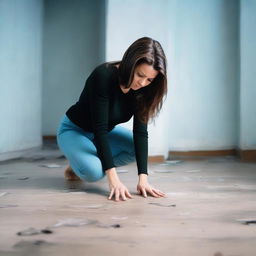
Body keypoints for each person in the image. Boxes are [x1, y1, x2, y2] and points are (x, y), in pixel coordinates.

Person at [57, 37, 168, 202]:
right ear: (131, 64)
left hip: (104, 133)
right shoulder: (104, 75)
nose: (143, 83)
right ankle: (82, 162)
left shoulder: (145, 89)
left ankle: (86, 159)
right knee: (93, 173)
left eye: (150, 79)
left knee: (135, 148)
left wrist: (143, 179)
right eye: (140, 75)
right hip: (74, 130)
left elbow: (140, 133)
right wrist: (113, 180)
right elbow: (99, 128)